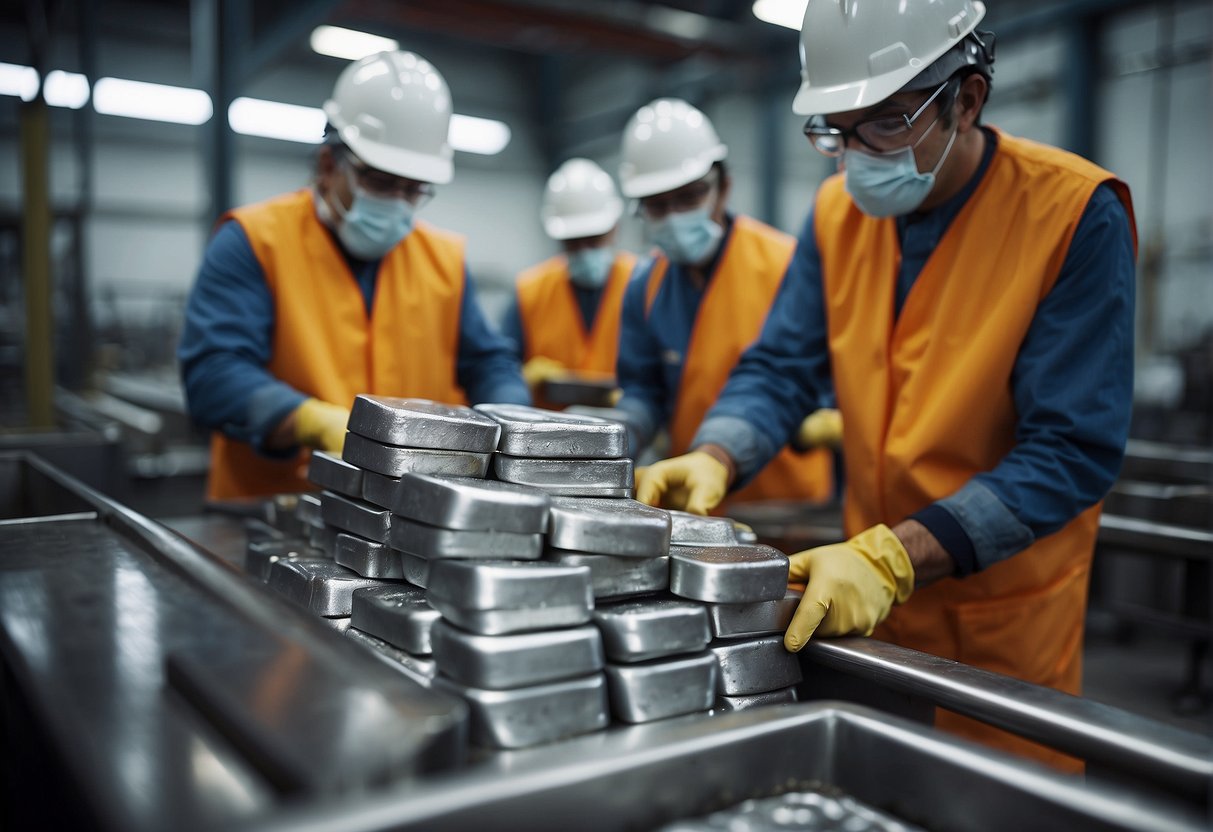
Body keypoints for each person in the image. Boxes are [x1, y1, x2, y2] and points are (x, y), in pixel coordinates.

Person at [635, 0, 1136, 770]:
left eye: (886, 122)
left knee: (990, 805)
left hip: (994, 624)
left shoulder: (1070, 216)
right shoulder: (838, 212)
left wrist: (895, 558)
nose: (854, 155)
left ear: (966, 99)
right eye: (836, 127)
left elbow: (1070, 451)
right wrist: (716, 455)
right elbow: (781, 365)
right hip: (862, 609)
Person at [179, 51, 529, 500]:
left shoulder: (443, 259)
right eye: (382, 183)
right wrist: (309, 420)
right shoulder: (255, 241)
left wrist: (516, 425)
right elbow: (212, 374)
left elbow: (488, 362)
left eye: (414, 190)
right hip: (279, 509)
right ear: (329, 165)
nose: (399, 205)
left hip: (410, 512)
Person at [613, 98, 834, 508]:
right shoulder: (645, 284)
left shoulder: (786, 263)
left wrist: (823, 417)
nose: (675, 216)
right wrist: (614, 433)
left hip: (788, 503)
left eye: (689, 197)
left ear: (723, 188)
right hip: (694, 498)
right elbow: (645, 387)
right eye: (658, 206)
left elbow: (814, 373)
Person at [501, 158, 636, 407]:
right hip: (548, 439)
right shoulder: (530, 290)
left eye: (594, 239)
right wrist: (521, 377)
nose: (584, 251)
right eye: (573, 241)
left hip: (627, 434)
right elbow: (499, 368)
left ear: (615, 228)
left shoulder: (643, 284)